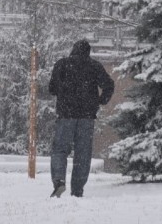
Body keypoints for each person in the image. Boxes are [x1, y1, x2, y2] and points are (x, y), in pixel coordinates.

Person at [48, 39, 115, 198]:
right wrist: (100, 100)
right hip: (87, 116)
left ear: (73, 50)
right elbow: (109, 84)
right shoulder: (95, 66)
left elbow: (52, 88)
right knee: (83, 153)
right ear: (88, 52)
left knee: (60, 150)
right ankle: (77, 190)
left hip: (66, 115)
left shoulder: (62, 64)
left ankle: (59, 181)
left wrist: (64, 94)